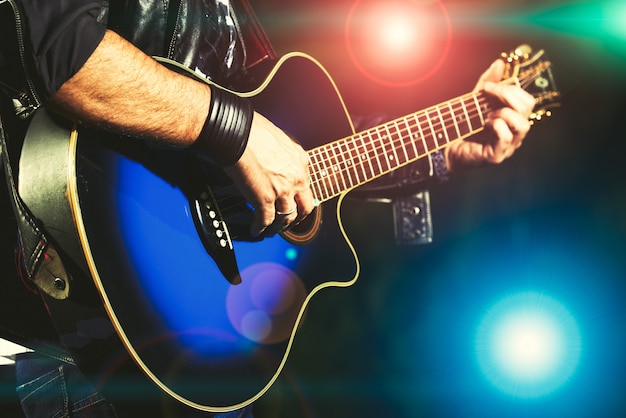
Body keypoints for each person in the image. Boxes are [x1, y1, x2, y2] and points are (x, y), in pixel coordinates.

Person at [0, 0, 535, 416]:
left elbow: (292, 168)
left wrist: (443, 151)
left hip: (194, 355)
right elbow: (62, 51)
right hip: (78, 336)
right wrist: (236, 130)